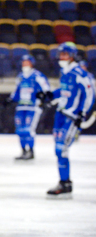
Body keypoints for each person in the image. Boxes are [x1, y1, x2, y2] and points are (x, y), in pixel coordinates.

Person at [45, 42, 95, 199]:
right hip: (60, 114)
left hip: (71, 117)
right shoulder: (64, 71)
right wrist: (51, 95)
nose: (62, 57)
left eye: (65, 54)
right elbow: (64, 90)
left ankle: (65, 182)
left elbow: (89, 94)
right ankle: (64, 182)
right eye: (61, 54)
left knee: (62, 149)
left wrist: (82, 113)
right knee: (58, 150)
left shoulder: (80, 73)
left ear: (72, 56)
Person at [5, 54, 51, 160]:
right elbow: (17, 91)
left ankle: (30, 151)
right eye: (23, 62)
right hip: (21, 106)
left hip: (33, 107)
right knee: (20, 130)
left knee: (28, 129)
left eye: (27, 62)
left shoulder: (37, 76)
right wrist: (11, 100)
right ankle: (23, 151)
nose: (25, 64)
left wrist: (45, 100)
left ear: (32, 63)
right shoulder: (20, 77)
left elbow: (46, 89)